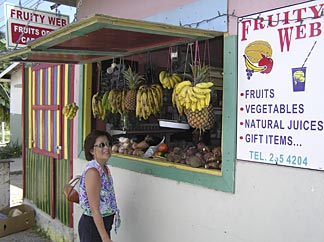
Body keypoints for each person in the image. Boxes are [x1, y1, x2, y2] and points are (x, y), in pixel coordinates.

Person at [78, 130, 121, 242]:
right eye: (101, 145)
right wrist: (105, 237)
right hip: (93, 227)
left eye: (108, 144)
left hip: (102, 224)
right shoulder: (93, 172)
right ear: (92, 150)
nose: (106, 148)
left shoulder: (104, 169)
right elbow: (95, 209)